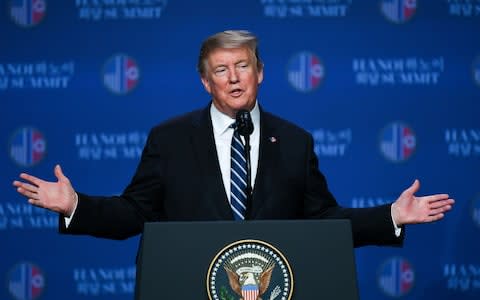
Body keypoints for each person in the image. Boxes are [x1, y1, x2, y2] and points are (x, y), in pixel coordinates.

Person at [13, 30, 454, 248]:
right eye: (221, 70)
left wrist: (390, 216)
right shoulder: (169, 139)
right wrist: (76, 206)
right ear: (206, 82)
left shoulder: (295, 141)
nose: (234, 78)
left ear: (260, 73)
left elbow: (321, 220)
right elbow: (134, 213)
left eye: (242, 66)